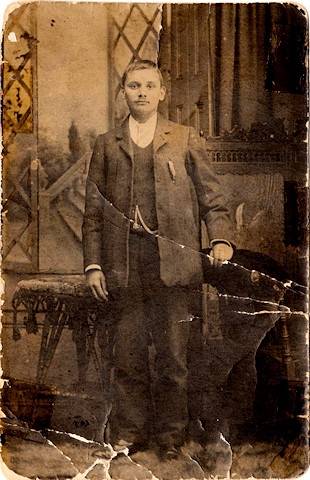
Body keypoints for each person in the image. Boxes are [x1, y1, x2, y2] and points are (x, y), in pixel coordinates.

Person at [82, 60, 234, 461]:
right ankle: (129, 433)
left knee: (173, 357)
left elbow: (213, 200)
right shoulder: (106, 143)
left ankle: (170, 437)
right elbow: (93, 215)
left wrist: (220, 239)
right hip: (124, 267)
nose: (143, 93)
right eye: (134, 86)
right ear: (124, 92)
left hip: (175, 266)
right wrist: (94, 265)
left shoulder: (184, 138)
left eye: (151, 86)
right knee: (128, 355)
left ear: (163, 93)